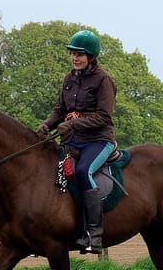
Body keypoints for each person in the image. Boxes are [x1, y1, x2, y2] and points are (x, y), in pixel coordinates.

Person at [37, 30, 116, 254]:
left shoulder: (103, 80)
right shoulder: (70, 78)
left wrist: (72, 124)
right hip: (72, 142)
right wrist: (46, 125)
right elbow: (60, 111)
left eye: (80, 54)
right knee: (51, 172)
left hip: (99, 140)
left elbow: (104, 116)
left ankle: (94, 234)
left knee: (82, 172)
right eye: (73, 53)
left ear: (91, 56)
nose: (75, 58)